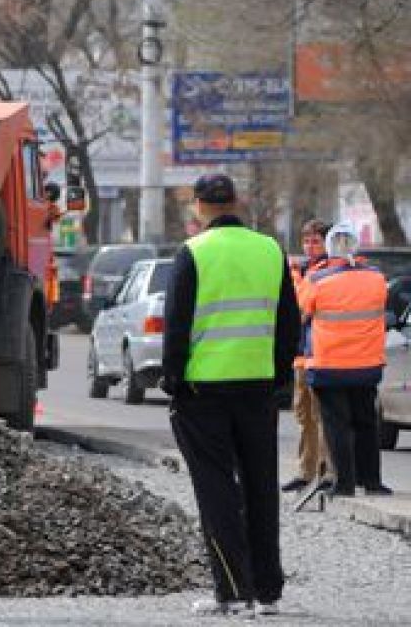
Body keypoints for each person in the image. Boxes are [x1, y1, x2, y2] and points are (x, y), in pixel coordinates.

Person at [160, 173, 300, 618]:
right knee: (261, 486)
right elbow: (288, 324)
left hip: (204, 391)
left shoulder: (194, 253)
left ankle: (232, 592)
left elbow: (177, 329)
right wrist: (277, 379)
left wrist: (174, 383)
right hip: (257, 389)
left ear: (199, 206)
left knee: (216, 488)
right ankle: (267, 592)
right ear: (236, 202)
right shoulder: (270, 251)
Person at [299, 221, 392, 498]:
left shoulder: (317, 279)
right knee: (366, 421)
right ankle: (372, 481)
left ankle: (345, 483)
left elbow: (302, 311)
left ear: (328, 247)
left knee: (337, 424)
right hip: (367, 365)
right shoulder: (376, 278)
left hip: (330, 365)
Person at [281, 218, 333, 493]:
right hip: (301, 355)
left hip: (322, 354)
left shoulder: (328, 271)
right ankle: (306, 470)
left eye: (316, 241)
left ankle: (326, 472)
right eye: (307, 241)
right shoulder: (299, 271)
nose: (310, 246)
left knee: (322, 414)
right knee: (303, 416)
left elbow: (306, 310)